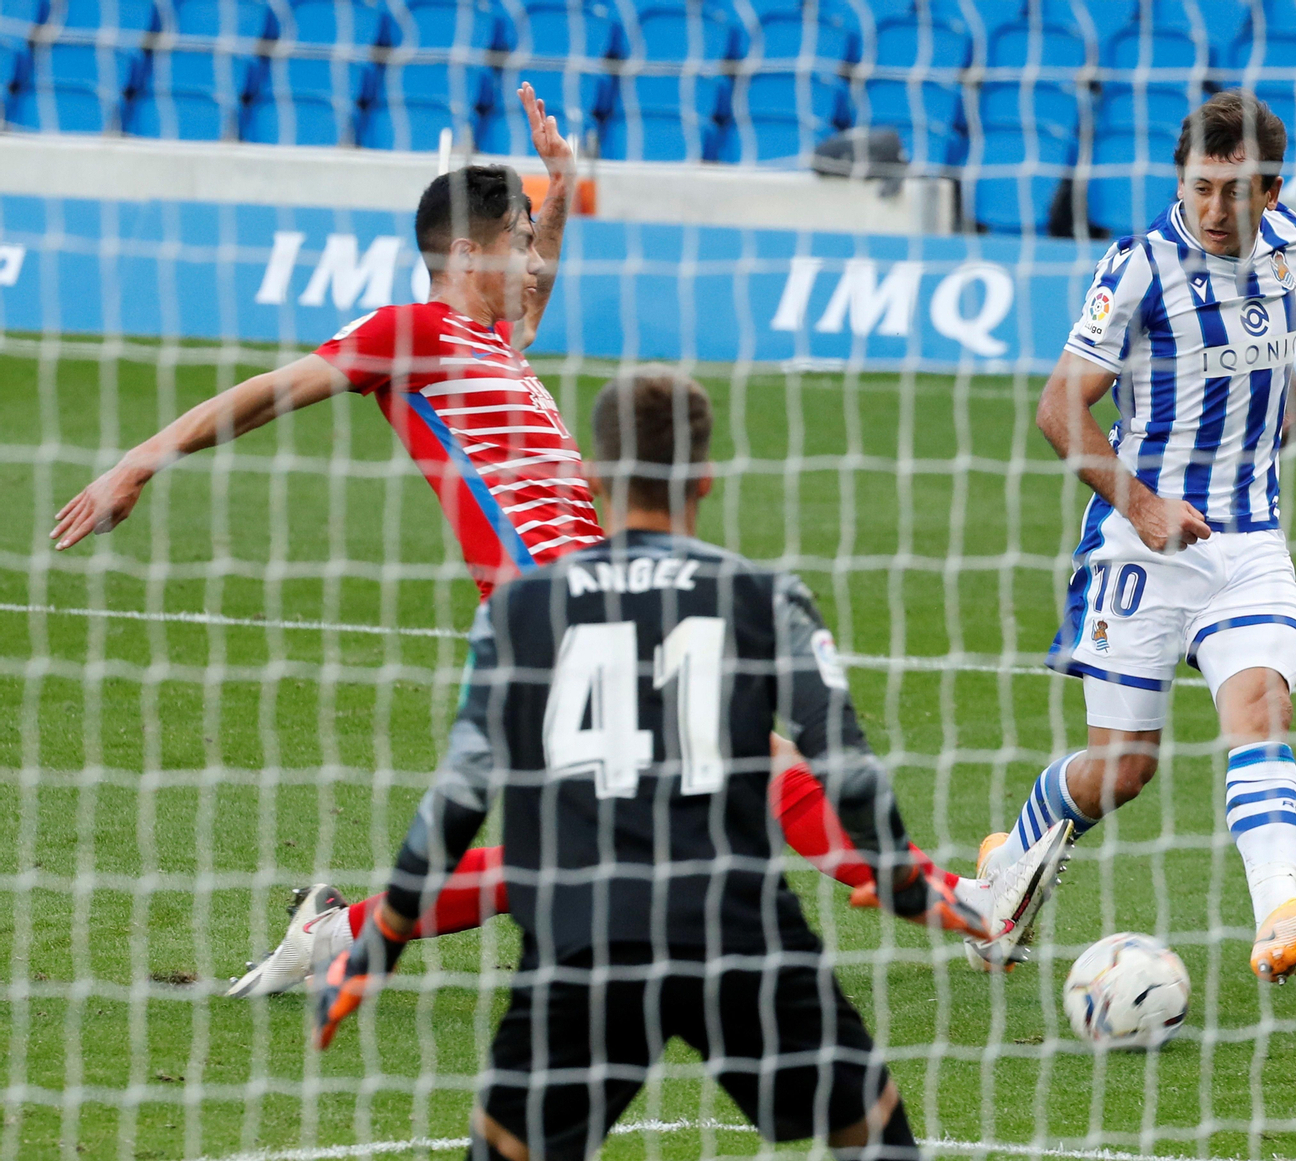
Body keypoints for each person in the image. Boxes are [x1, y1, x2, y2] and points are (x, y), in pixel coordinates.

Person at [48, 86, 1020, 994]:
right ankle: (965, 906)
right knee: (746, 754)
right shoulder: (414, 334)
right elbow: (271, 390)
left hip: (588, 606)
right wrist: (139, 462)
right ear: (471, 254)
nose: (531, 257)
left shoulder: (497, 345)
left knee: (570, 854)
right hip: (552, 617)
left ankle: (340, 938)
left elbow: (538, 281)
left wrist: (555, 186)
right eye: (516, 240)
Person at [313, 368, 1070, 1161]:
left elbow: (459, 796)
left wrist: (380, 945)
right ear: (705, 477)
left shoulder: (519, 611)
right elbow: (841, 759)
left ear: (593, 477)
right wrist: (912, 887)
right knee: (875, 1136)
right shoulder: (764, 597)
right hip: (736, 933)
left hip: (583, 941)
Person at [971, 91, 1296, 984]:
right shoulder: (1139, 267)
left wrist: (1280, 402)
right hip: (1141, 550)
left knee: (1260, 703)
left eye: (1237, 193)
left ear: (1271, 192)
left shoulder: (1289, 248)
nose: (1215, 210)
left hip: (1251, 538)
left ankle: (1279, 911)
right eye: (1200, 188)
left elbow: (1269, 343)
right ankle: (1004, 876)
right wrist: (1146, 507)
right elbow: (1057, 407)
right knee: (1123, 769)